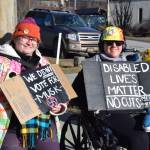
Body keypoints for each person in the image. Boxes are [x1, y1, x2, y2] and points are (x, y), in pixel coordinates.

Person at [71, 26, 149, 150]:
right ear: (102, 45)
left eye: (118, 42)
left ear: (123, 45)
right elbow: (75, 94)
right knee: (139, 138)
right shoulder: (91, 67)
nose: (114, 45)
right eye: (109, 42)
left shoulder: (131, 65)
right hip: (108, 113)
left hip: (135, 110)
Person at [0, 17, 67, 150]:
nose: (29, 42)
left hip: (43, 123)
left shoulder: (44, 63)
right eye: (25, 37)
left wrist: (60, 107)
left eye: (34, 39)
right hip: (11, 123)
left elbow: (61, 93)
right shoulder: (2, 61)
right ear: (15, 38)